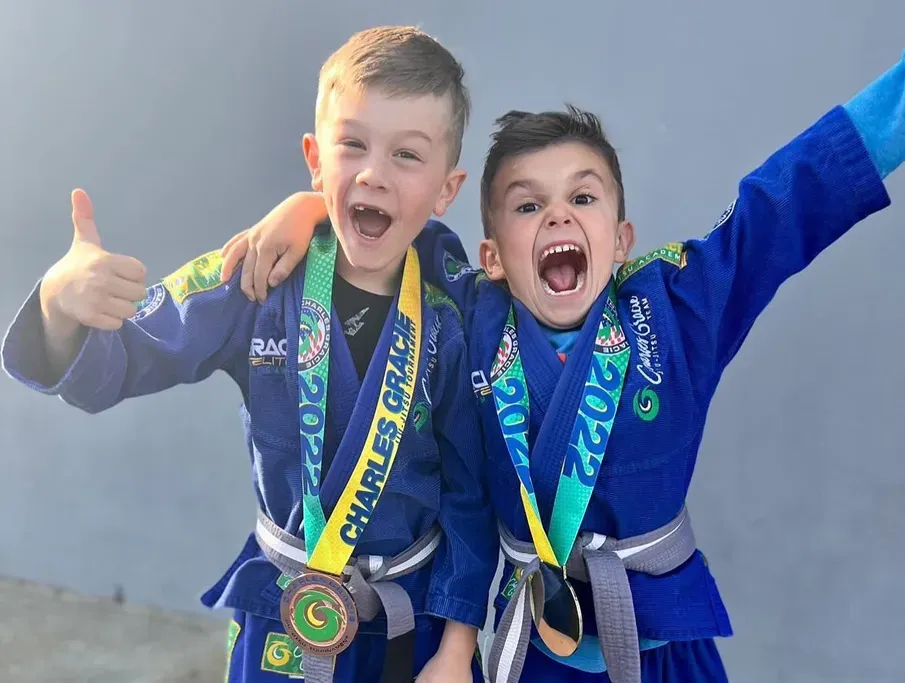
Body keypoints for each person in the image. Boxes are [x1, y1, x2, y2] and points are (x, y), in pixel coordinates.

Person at [215, 49, 905, 683]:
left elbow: (782, 206)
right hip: (539, 645)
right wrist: (310, 210)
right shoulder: (467, 315)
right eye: (526, 204)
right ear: (491, 256)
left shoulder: (675, 311)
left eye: (582, 197)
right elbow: (385, 225)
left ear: (620, 239)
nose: (556, 218)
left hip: (663, 642)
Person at [1, 26, 499, 683]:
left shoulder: (453, 314)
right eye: (351, 144)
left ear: (446, 188)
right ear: (314, 158)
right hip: (284, 618)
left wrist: (458, 646)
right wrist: (61, 303)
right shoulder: (254, 277)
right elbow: (123, 360)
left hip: (413, 630)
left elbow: (472, 496)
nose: (373, 172)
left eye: (407, 155)